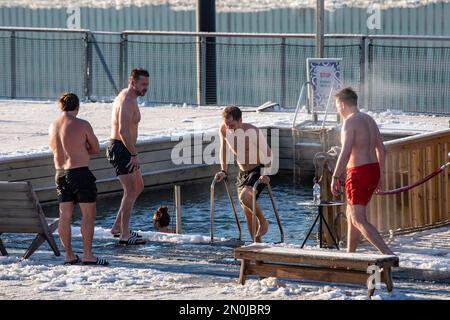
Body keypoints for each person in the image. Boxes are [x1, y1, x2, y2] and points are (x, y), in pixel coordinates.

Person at [331, 87, 394, 255]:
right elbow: (382, 150)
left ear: (343, 104)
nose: (337, 109)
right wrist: (379, 175)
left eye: (337, 105)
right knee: (351, 215)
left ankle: (388, 255)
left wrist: (335, 176)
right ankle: (350, 257)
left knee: (359, 219)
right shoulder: (369, 119)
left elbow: (345, 152)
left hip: (358, 172)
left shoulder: (350, 121)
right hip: (373, 169)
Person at [48, 92, 109, 266]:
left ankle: (69, 255)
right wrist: (82, 148)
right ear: (77, 107)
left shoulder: (53, 126)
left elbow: (56, 150)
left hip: (60, 174)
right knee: (88, 215)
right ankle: (88, 255)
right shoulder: (82, 124)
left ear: (61, 106)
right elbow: (96, 148)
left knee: (64, 216)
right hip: (80, 173)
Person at [216, 106, 273, 242]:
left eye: (233, 125)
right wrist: (224, 170)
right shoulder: (224, 130)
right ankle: (257, 245)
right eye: (227, 125)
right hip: (242, 172)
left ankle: (263, 222)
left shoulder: (252, 131)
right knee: (247, 212)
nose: (230, 128)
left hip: (258, 169)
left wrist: (266, 174)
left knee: (245, 197)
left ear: (241, 120)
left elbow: (269, 154)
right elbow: (223, 150)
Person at [106, 68, 149, 246]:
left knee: (138, 186)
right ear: (133, 83)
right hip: (121, 148)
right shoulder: (127, 100)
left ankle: (118, 227)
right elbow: (123, 131)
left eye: (147, 84)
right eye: (143, 84)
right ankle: (124, 234)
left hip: (126, 148)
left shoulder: (129, 97)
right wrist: (133, 154)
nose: (146, 88)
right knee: (131, 190)